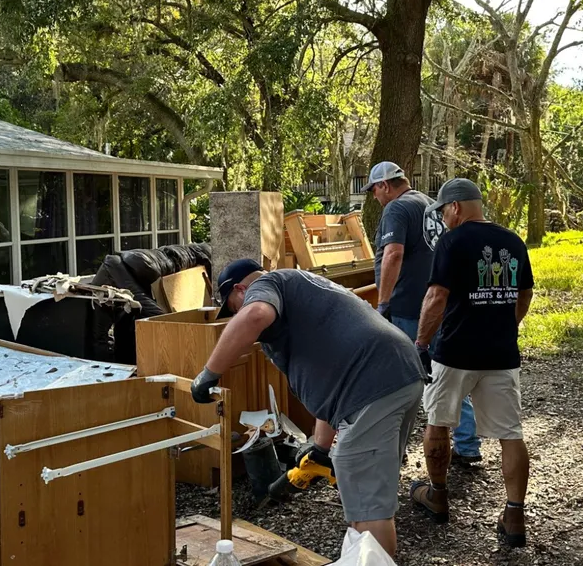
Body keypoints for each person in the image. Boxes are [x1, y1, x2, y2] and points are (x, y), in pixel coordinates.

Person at [191, 259, 424, 557]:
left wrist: (208, 374)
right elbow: (330, 386)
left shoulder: (266, 285)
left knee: (369, 510)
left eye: (233, 306)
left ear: (240, 288)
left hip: (372, 386)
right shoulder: (304, 292)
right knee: (362, 497)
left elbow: (254, 315)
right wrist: (320, 446)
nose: (236, 312)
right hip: (396, 375)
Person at [408, 178, 535, 548]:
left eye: (444, 211)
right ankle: (514, 516)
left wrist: (421, 342)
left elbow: (436, 296)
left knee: (438, 421)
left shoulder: (452, 241)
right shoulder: (513, 241)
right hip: (501, 354)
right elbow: (525, 292)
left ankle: (438, 495)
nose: (444, 218)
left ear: (457, 207)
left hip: (454, 352)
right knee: (510, 433)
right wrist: (507, 325)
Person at [364, 160, 483, 466]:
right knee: (447, 370)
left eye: (374, 191)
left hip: (407, 307)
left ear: (384, 186)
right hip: (440, 302)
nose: (375, 198)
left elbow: (393, 254)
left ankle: (396, 448)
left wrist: (383, 304)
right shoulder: (432, 206)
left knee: (401, 379)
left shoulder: (396, 209)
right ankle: (467, 444)